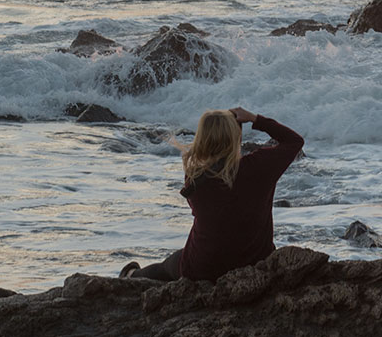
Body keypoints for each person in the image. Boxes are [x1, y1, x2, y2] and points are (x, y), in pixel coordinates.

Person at [124, 106, 304, 281]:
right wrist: (254, 119)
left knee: (166, 267)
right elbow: (294, 141)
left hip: (204, 266)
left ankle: (131, 276)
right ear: (237, 137)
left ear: (202, 138)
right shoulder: (259, 167)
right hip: (255, 262)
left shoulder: (195, 176)